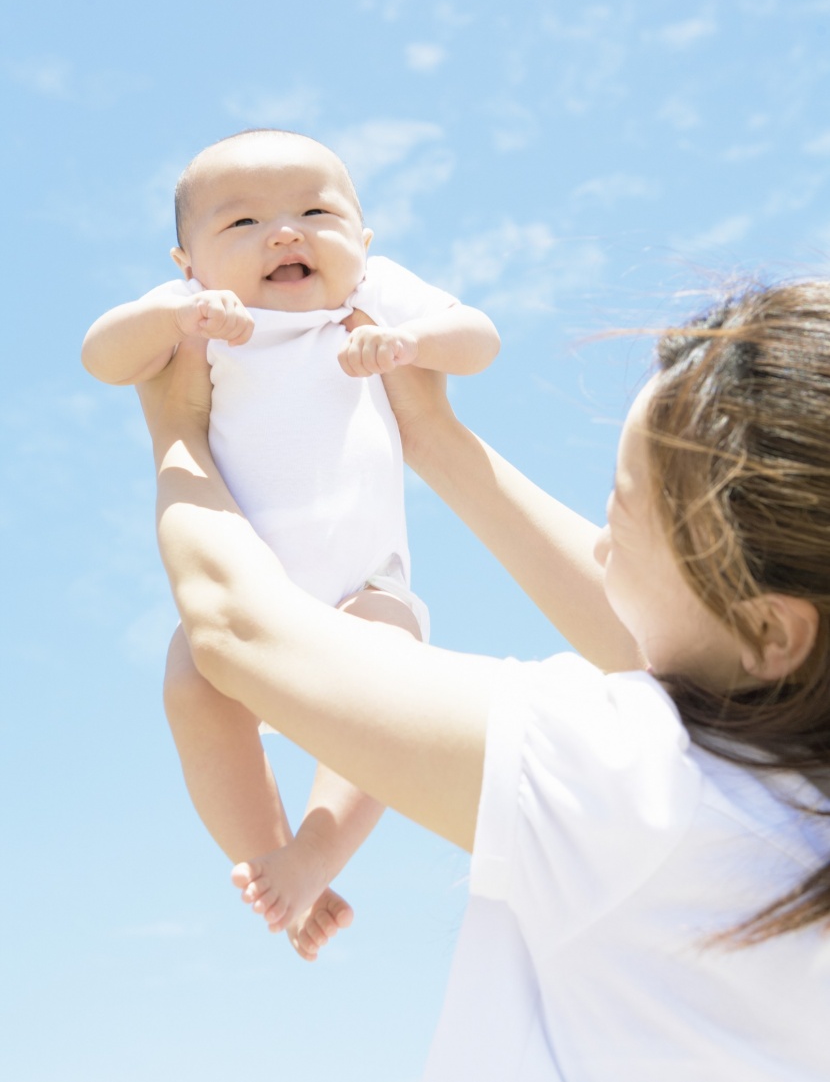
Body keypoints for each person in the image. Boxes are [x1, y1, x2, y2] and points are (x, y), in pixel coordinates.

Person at [140, 276, 830, 1079]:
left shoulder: (641, 789)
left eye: (625, 506)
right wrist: (431, 434)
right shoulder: (789, 790)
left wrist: (176, 426)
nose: (600, 539)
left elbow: (237, 628)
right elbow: (677, 638)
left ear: (770, 627)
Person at [81, 128, 500, 960]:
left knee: (393, 674)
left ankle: (317, 851)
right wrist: (171, 314)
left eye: (316, 211)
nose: (285, 232)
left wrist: (411, 344)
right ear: (187, 260)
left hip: (361, 584)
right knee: (191, 679)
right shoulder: (193, 320)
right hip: (246, 597)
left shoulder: (371, 299)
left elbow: (479, 337)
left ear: (364, 241)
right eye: (241, 224)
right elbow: (101, 355)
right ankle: (264, 854)